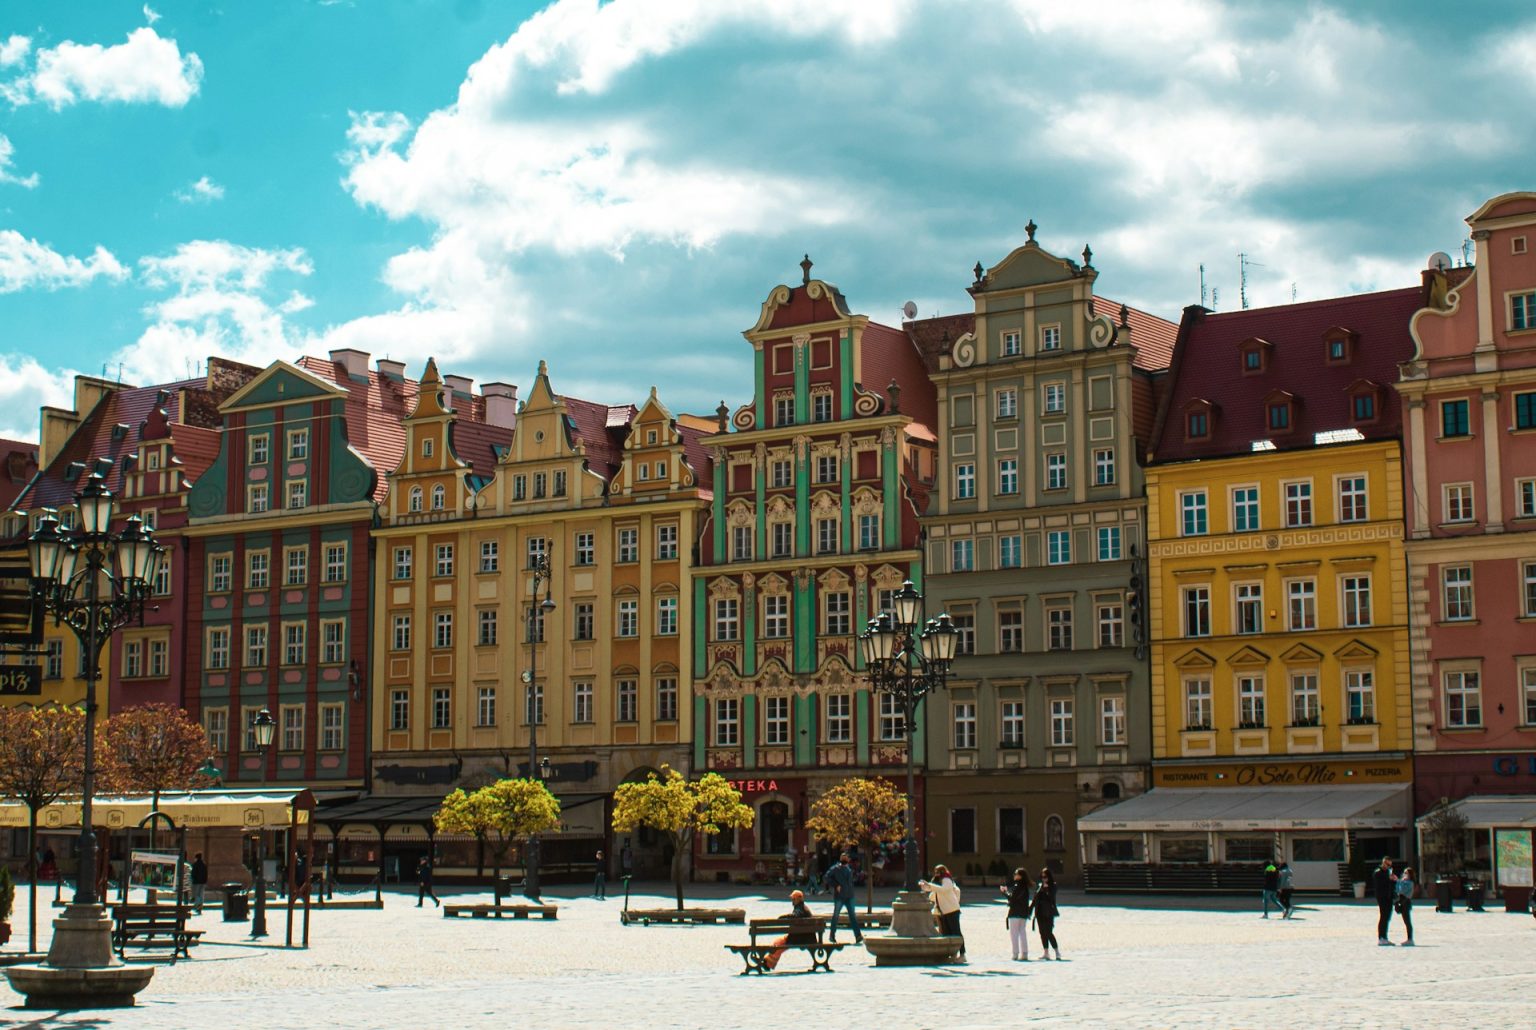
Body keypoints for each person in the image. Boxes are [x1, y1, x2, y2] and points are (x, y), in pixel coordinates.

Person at [762, 889, 816, 971]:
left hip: (799, 938)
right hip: (807, 938)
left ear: (797, 899)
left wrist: (784, 916)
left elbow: (796, 916)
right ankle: (768, 963)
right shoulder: (804, 908)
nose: (792, 901)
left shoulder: (799, 909)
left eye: (793, 899)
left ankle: (767, 964)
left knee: (778, 944)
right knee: (779, 943)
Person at [919, 864, 964, 958]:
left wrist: (930, 885)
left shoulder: (947, 879)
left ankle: (962, 953)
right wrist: (924, 886)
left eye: (938, 872)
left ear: (943, 871)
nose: (936, 874)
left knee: (956, 931)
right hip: (943, 911)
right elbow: (932, 890)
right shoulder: (937, 881)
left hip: (952, 909)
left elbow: (943, 890)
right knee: (947, 932)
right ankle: (951, 953)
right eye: (935, 871)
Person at [824, 852, 862, 944]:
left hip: (850, 896)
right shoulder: (835, 868)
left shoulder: (849, 869)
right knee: (836, 916)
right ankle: (832, 935)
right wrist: (836, 885)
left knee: (852, 916)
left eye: (846, 858)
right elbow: (826, 877)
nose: (846, 860)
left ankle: (858, 936)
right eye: (844, 858)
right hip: (840, 896)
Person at [1000, 867, 1033, 961]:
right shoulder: (1025, 887)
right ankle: (1025, 953)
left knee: (1014, 934)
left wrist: (1004, 892)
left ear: (1020, 876)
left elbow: (1012, 899)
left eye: (1016, 873)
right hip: (1023, 912)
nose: (1014, 875)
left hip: (1014, 912)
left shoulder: (1017, 885)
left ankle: (1015, 953)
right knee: (1022, 933)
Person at [1032, 867, 1061, 960]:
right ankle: (1046, 952)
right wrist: (1030, 910)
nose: (1044, 879)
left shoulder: (1053, 886)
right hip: (1039, 912)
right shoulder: (1039, 886)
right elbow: (1035, 899)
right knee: (1042, 932)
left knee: (1048, 932)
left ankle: (1057, 952)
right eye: (1042, 877)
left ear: (1049, 877)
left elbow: (1051, 898)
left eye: (1045, 877)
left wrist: (1046, 890)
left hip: (1048, 912)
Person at [1371, 856, 1396, 945]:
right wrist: (1389, 878)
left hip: (1389, 897)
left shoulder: (1388, 872)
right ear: (1383, 862)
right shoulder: (1378, 872)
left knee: (1387, 917)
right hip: (1382, 897)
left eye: (1390, 865)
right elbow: (1380, 880)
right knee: (1383, 917)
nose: (1388, 866)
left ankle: (1384, 937)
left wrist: (1394, 880)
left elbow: (1391, 884)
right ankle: (1381, 938)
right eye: (1386, 864)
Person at [1395, 866, 1416, 946]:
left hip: (1406, 902)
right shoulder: (1403, 882)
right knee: (1405, 921)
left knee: (1407, 921)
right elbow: (1397, 889)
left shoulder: (1410, 883)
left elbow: (1402, 891)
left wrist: (1399, 881)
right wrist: (1399, 881)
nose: (1404, 874)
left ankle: (1410, 939)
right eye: (1404, 873)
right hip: (1401, 900)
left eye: (1406, 873)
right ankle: (1409, 938)